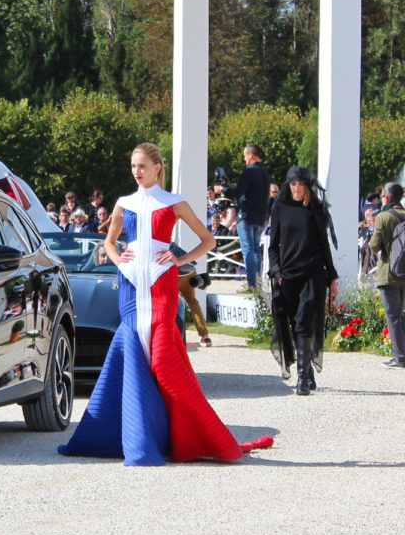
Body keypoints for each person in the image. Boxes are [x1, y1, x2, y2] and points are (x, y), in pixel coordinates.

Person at [58, 142, 272, 465]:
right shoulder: (123, 203)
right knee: (132, 356)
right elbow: (109, 242)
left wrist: (179, 259)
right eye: (133, 166)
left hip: (161, 285)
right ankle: (139, 442)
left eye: (142, 166)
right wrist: (119, 261)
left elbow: (209, 240)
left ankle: (196, 436)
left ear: (158, 167)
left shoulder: (174, 202)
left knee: (164, 363)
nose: (137, 172)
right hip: (130, 288)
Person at [267, 166, 339, 395]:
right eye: (293, 183)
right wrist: (276, 271)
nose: (297, 188)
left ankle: (302, 379)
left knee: (305, 321)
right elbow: (273, 246)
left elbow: (324, 245)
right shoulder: (280, 207)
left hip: (312, 273)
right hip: (287, 275)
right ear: (289, 185)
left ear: (308, 186)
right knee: (292, 323)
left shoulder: (315, 209)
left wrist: (333, 277)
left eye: (301, 184)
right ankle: (306, 370)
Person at [221, 143, 271, 289]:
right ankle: (257, 282)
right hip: (260, 216)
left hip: (247, 215)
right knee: (256, 249)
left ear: (251, 154)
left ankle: (252, 284)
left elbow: (237, 193)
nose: (244, 159)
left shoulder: (249, 171)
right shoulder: (265, 173)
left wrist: (224, 190)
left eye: (245, 156)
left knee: (248, 249)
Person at [368, 182, 405, 368]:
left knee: (393, 316)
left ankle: (400, 356)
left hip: (388, 272)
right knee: (401, 315)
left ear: (387, 198)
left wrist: (373, 227)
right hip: (404, 273)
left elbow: (374, 246)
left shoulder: (383, 217)